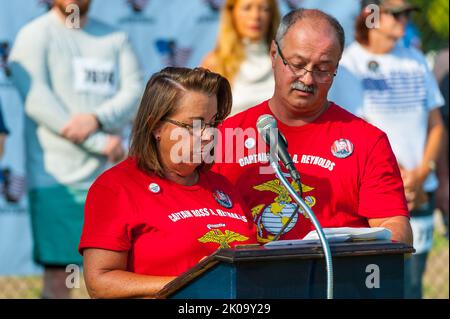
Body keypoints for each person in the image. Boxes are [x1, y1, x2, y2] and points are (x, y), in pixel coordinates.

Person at [212, 8, 413, 246]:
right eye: (297, 64)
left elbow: (394, 226)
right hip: (251, 278)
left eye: (323, 69)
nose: (307, 79)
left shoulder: (367, 141)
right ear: (274, 54)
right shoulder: (227, 136)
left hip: (334, 277)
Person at [79, 67, 257, 299]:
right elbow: (100, 283)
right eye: (194, 125)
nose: (207, 135)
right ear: (156, 127)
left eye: (213, 123)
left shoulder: (222, 186)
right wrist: (193, 282)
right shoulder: (116, 188)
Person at [9, 0, 143, 298]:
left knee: (121, 276)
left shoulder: (115, 38)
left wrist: (97, 119)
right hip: (59, 181)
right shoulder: (35, 35)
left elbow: (135, 93)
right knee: (61, 277)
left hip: (113, 181)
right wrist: (98, 142)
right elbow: (38, 103)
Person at [330, 0, 445, 298]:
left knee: (414, 284)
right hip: (376, 193)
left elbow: (436, 125)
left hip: (419, 190)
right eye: (396, 14)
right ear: (371, 16)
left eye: (408, 13)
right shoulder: (348, 65)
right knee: (379, 285)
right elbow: (358, 128)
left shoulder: (416, 60)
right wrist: (399, 176)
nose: (404, 19)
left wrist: (421, 173)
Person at [201, 0, 280, 116]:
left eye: (264, 9)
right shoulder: (215, 63)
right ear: (232, 13)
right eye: (247, 8)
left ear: (272, 15)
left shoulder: (284, 62)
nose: (255, 16)